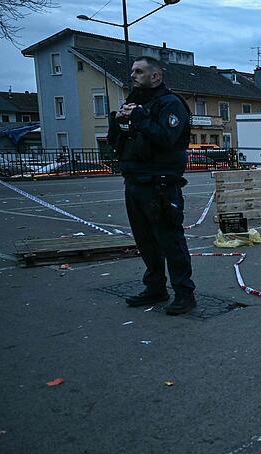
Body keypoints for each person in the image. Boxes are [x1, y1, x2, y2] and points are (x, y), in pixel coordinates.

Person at [108, 56, 196, 316]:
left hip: (160, 184)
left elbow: (166, 138)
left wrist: (140, 117)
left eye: (139, 71)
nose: (133, 75)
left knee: (170, 240)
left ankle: (184, 293)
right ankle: (155, 287)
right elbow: (115, 141)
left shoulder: (170, 104)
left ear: (155, 76)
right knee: (145, 241)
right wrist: (120, 119)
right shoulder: (135, 104)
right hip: (134, 181)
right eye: (132, 71)